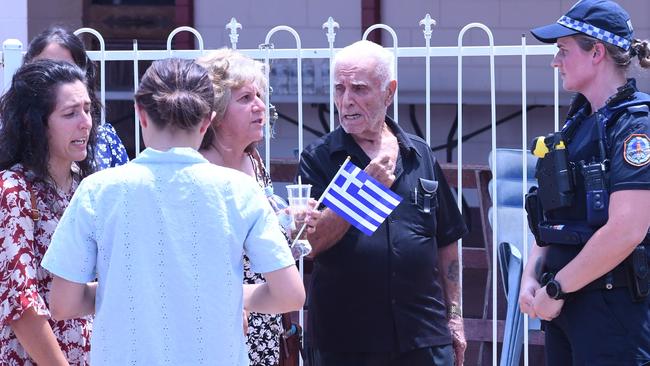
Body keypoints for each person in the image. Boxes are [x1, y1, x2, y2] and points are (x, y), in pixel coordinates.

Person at [41, 58, 305, 365]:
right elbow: (290, 294)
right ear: (208, 120)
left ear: (141, 114)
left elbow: (63, 303)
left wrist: (128, 285)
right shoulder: (240, 190)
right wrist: (233, 293)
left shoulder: (97, 190)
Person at [297, 40, 468, 366]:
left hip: (423, 338)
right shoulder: (319, 157)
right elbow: (309, 245)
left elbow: (447, 238)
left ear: (389, 92)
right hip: (347, 342)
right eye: (339, 89)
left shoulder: (419, 154)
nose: (346, 101)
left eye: (359, 89)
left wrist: (455, 316)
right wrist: (362, 191)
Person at [520, 0, 650, 364]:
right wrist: (532, 276)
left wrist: (557, 287)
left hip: (613, 314)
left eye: (563, 50)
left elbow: (627, 229)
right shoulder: (577, 123)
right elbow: (551, 217)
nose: (555, 61)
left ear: (596, 52)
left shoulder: (636, 127)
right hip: (566, 309)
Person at [197, 48, 319, 366]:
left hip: (264, 318)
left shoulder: (253, 159)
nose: (260, 106)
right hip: (220, 320)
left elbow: (258, 234)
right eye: (245, 98)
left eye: (260, 95)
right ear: (216, 112)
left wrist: (289, 223)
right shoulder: (199, 172)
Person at [0, 60, 96, 365]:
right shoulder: (13, 190)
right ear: (34, 123)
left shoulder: (89, 188)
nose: (85, 122)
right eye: (70, 113)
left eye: (88, 109)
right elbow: (21, 305)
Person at [24, 25, 129, 170]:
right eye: (45, 68)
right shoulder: (11, 146)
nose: (56, 77)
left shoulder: (106, 141)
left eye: (67, 69)